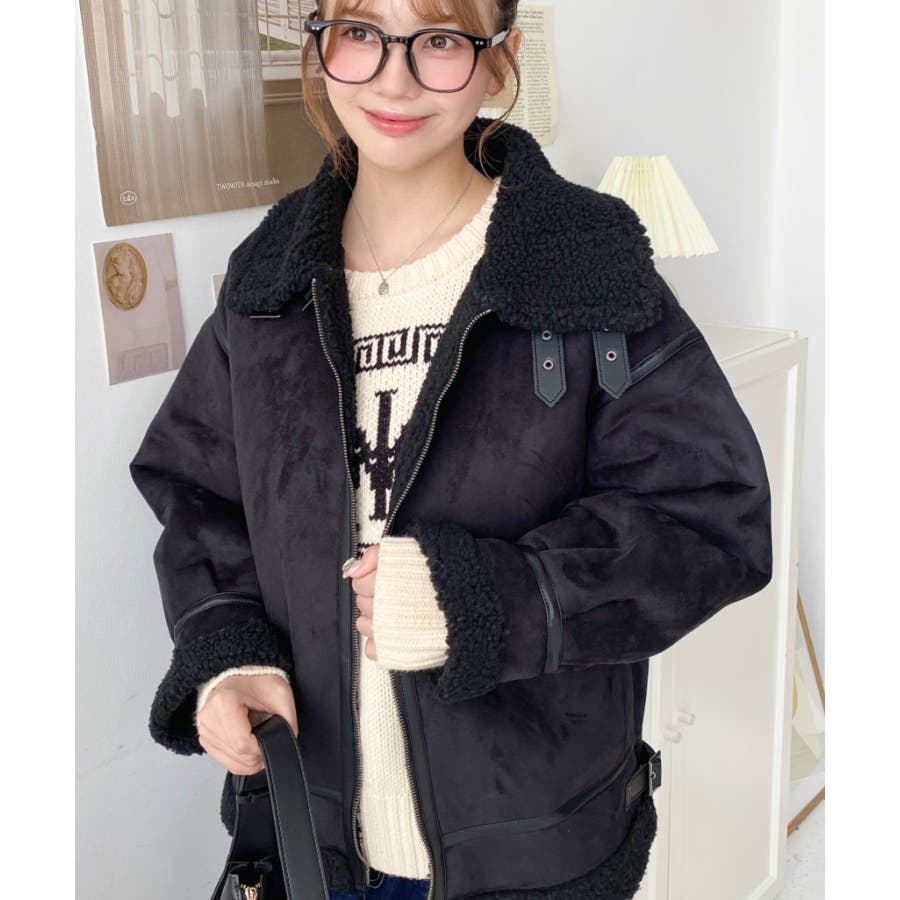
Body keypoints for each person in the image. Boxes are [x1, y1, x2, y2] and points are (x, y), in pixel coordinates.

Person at [129, 1, 774, 898]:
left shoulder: (584, 263)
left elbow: (710, 521)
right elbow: (200, 491)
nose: (393, 79)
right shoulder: (267, 281)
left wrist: (486, 600)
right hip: (312, 841)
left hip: (530, 851)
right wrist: (229, 652)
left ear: (499, 59)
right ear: (321, 45)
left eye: (438, 40)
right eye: (361, 32)